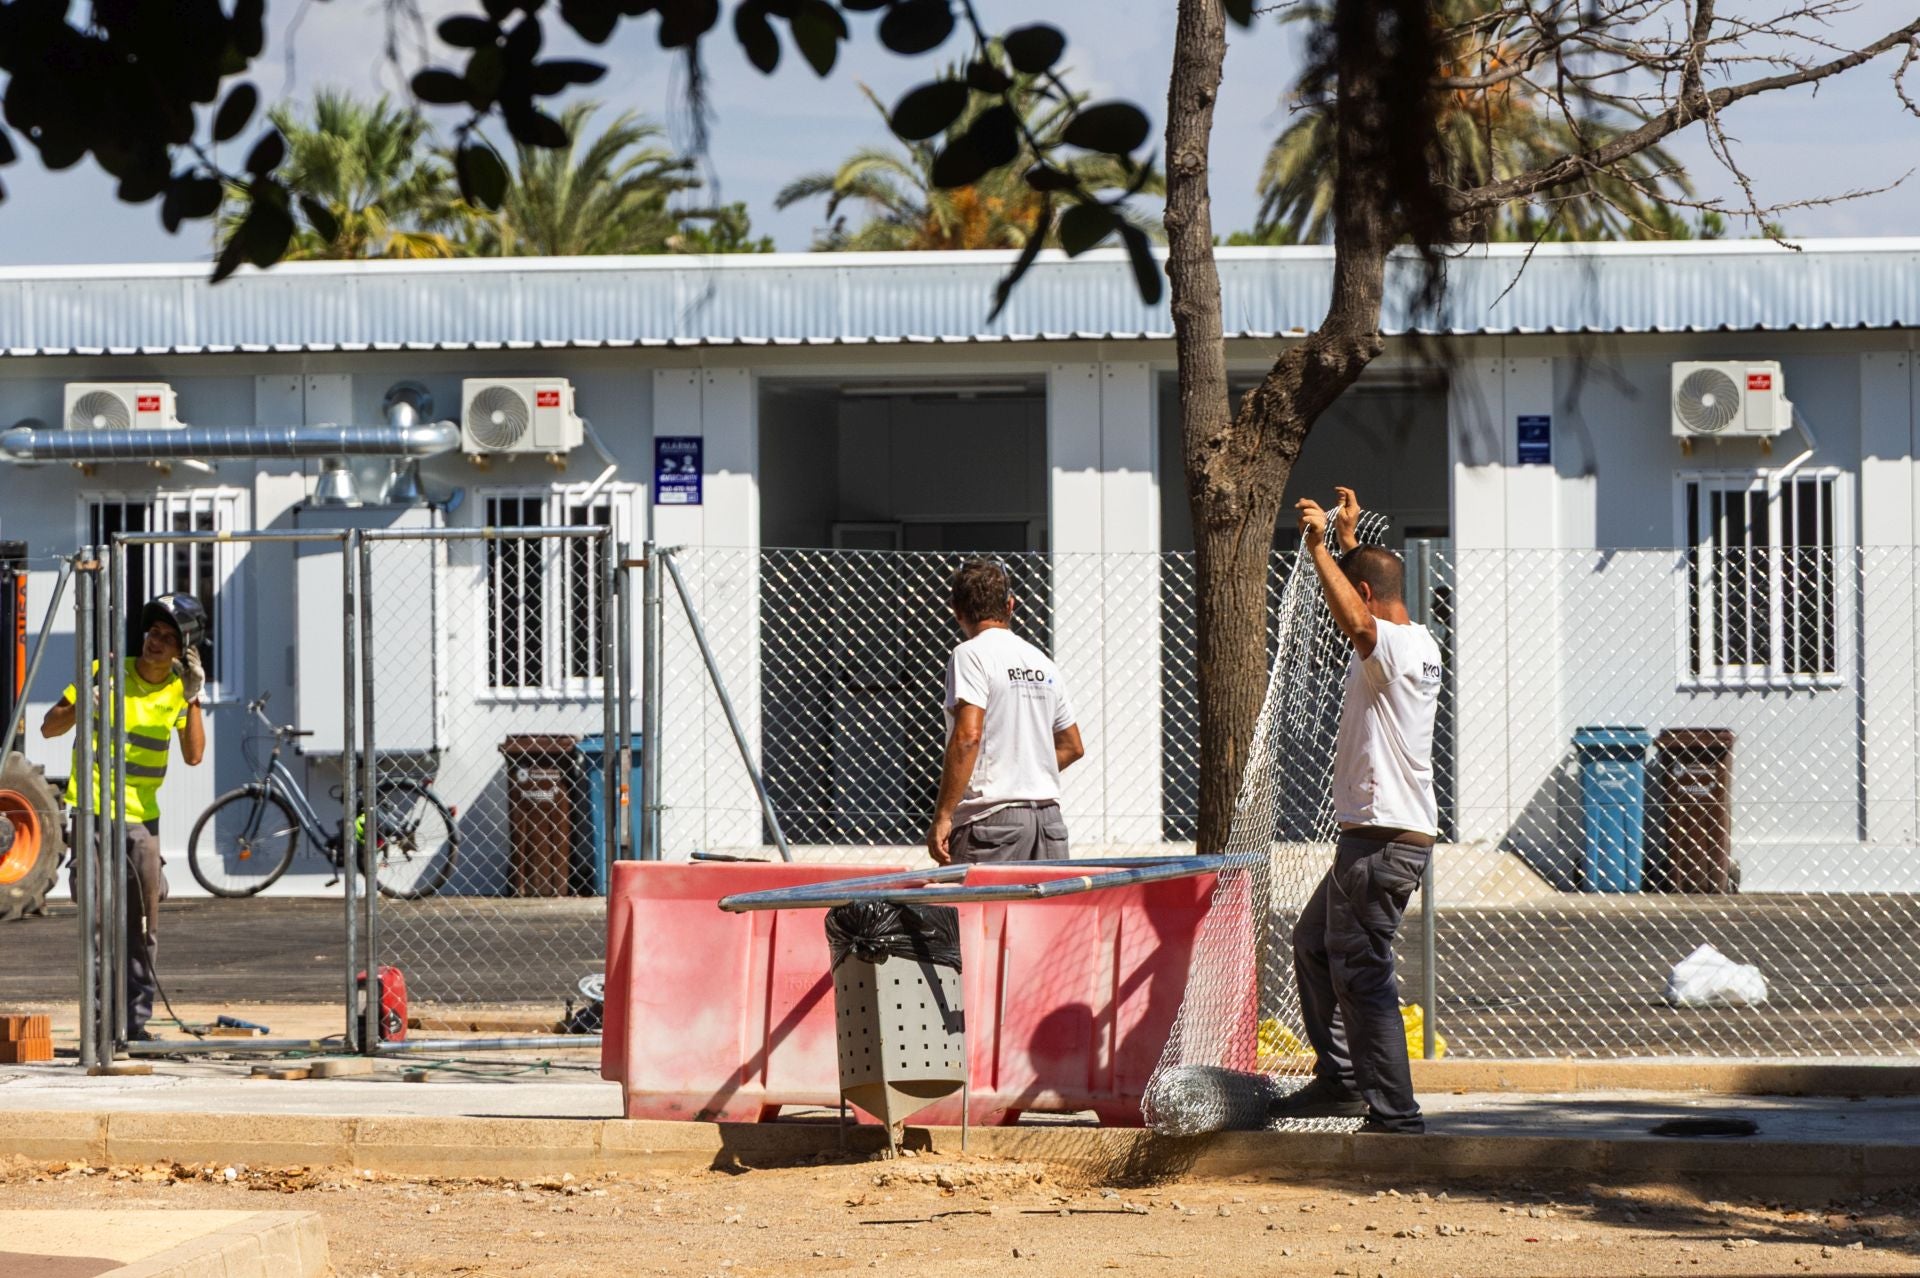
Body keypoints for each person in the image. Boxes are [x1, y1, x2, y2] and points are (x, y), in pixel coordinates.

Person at [1273, 487, 1442, 1135]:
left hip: (1379, 841)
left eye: (1351, 587)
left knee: (1363, 973)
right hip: (1388, 837)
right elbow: (1368, 603)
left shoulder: (1387, 645)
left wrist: (1318, 549)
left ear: (1366, 597)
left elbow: (1359, 621)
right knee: (1314, 943)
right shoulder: (1420, 640)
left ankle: (1394, 1116)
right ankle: (1340, 1080)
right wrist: (1348, 545)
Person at [42, 594, 207, 1042]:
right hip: (94, 814)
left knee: (141, 929)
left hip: (141, 822)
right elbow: (48, 727)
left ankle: (133, 1027)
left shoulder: (177, 689)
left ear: (182, 651)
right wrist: (85, 706)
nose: (156, 642)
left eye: (169, 638)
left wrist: (194, 700)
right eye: (154, 632)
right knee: (97, 925)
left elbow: (194, 755)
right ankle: (99, 1029)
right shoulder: (106, 672)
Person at [926, 557, 1084, 865]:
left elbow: (968, 736)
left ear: (957, 611)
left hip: (991, 823)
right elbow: (1072, 746)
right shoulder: (1041, 661)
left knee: (980, 912)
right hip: (1048, 821)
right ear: (1010, 605)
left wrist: (943, 816)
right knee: (1044, 913)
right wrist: (1026, 772)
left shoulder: (970, 655)